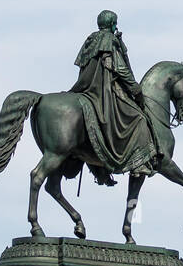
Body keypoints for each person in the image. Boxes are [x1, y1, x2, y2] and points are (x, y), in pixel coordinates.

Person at [69, 10, 161, 183]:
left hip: (86, 88)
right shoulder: (109, 41)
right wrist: (135, 88)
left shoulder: (91, 41)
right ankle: (139, 164)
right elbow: (119, 68)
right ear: (111, 24)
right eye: (115, 23)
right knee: (139, 119)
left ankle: (99, 169)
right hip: (104, 91)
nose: (116, 26)